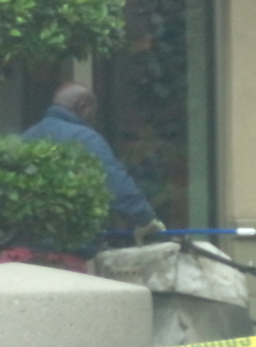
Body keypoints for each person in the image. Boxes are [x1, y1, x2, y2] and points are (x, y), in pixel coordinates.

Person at [22, 82, 165, 245]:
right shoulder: (85, 138)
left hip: (26, 245)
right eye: (93, 113)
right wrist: (145, 219)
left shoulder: (26, 138)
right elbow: (113, 182)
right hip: (70, 246)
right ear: (83, 107)